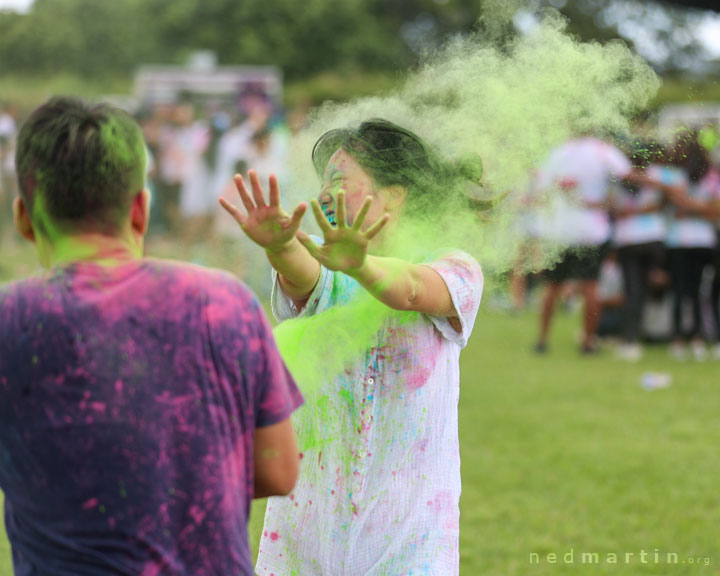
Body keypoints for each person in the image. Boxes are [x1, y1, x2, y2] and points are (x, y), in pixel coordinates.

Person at [0, 96, 303, 576]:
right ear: (140, 209)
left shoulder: (10, 319)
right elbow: (279, 469)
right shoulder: (225, 303)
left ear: (22, 219)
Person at [220, 119, 484, 575]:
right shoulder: (330, 265)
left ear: (395, 194)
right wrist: (279, 247)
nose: (324, 194)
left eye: (339, 181)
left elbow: (413, 291)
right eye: (323, 183)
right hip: (309, 529)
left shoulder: (455, 267)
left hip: (408, 533)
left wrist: (361, 264)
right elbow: (302, 272)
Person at [533, 136, 633, 354]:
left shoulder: (557, 151)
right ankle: (588, 342)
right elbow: (627, 174)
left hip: (559, 231)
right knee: (591, 287)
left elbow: (542, 188)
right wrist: (606, 200)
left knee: (551, 286)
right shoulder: (602, 150)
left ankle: (542, 340)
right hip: (590, 231)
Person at [663, 131, 720, 360]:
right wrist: (701, 208)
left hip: (678, 240)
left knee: (679, 291)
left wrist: (688, 207)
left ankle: (678, 338)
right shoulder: (712, 177)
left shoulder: (672, 177)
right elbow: (714, 209)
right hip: (704, 240)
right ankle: (697, 338)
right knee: (698, 291)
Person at [609, 141, 668, 361]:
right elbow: (664, 201)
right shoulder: (657, 174)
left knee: (632, 291)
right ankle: (638, 335)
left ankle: (630, 340)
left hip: (629, 240)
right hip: (654, 239)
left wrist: (631, 213)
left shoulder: (621, 176)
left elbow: (613, 206)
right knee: (643, 291)